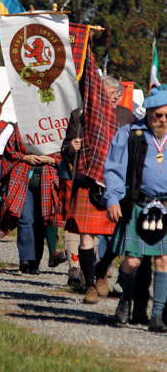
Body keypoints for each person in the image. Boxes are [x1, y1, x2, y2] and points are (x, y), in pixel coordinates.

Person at [60, 76, 130, 303]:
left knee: (120, 236)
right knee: (86, 237)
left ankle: (102, 268)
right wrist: (72, 147)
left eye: (117, 94)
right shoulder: (80, 116)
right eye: (110, 93)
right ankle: (90, 284)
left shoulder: (128, 117)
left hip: (117, 184)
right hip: (88, 183)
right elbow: (66, 149)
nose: (115, 97)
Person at [104, 86, 167, 333]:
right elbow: (114, 169)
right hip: (138, 204)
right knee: (132, 262)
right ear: (148, 113)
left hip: (166, 207)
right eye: (157, 115)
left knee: (164, 260)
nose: (162, 120)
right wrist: (112, 199)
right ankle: (124, 299)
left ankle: (158, 316)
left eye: (166, 115)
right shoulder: (130, 133)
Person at [0, 123, 61, 274]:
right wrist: (24, 157)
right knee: (25, 218)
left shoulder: (56, 128)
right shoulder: (21, 126)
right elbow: (9, 150)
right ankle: (25, 259)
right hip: (22, 179)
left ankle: (35, 261)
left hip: (47, 180)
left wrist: (52, 161)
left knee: (41, 221)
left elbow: (66, 155)